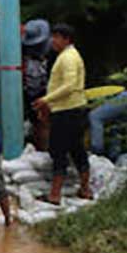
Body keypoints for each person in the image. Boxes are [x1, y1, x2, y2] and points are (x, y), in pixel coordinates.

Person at [34, 22, 92, 204]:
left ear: (66, 39)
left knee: (58, 151)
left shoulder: (68, 58)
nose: (53, 41)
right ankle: (85, 190)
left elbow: (69, 85)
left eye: (56, 37)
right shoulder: (69, 56)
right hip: (72, 109)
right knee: (77, 150)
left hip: (67, 111)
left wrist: (46, 100)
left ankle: (55, 195)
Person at [22, 18, 51, 150]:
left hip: (40, 93)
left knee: (42, 125)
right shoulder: (27, 57)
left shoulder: (51, 55)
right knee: (40, 125)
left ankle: (44, 150)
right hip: (34, 94)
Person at [89, 90, 127, 156]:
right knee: (117, 124)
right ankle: (113, 155)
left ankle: (97, 151)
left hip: (125, 98)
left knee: (95, 116)